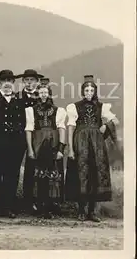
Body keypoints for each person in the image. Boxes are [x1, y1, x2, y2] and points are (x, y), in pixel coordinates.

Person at [65, 75, 119, 222]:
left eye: (91, 90)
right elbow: (71, 127)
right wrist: (70, 148)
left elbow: (115, 120)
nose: (89, 92)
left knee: (95, 175)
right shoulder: (75, 107)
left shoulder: (102, 107)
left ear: (95, 91)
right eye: (86, 90)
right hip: (80, 142)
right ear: (83, 91)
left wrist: (105, 125)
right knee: (81, 174)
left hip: (97, 145)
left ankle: (92, 212)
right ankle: (81, 211)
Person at [25, 78, 67, 219]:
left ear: (49, 94)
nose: (43, 95)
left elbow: (61, 129)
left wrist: (61, 148)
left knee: (53, 174)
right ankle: (39, 205)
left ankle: (52, 205)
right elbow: (29, 130)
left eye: (45, 92)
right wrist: (30, 149)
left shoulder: (58, 111)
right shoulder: (31, 110)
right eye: (41, 92)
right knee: (38, 174)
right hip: (38, 143)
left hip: (53, 143)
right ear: (38, 94)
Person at [0, 70, 26, 218]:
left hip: (15, 144)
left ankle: (9, 207)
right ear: (0, 83)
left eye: (10, 80)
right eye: (4, 81)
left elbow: (24, 122)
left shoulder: (19, 101)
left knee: (12, 175)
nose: (7, 83)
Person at [17, 69, 43, 214]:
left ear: (37, 82)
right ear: (23, 82)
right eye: (26, 80)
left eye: (32, 80)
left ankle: (34, 201)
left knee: (34, 168)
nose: (29, 82)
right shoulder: (17, 97)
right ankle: (17, 201)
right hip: (20, 135)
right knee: (15, 167)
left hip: (37, 137)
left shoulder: (42, 96)